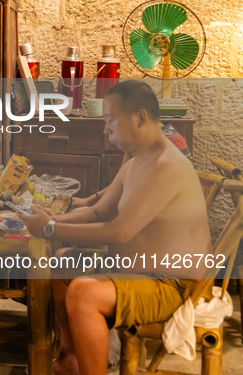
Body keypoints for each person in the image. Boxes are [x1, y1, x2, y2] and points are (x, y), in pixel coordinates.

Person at [19, 80, 212, 375]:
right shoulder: (136, 162)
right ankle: (71, 358)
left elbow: (120, 231)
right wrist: (52, 219)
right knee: (60, 263)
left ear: (140, 118)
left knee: (84, 293)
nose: (105, 128)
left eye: (110, 120)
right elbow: (98, 211)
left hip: (172, 283)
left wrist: (49, 230)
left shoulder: (166, 165)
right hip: (138, 271)